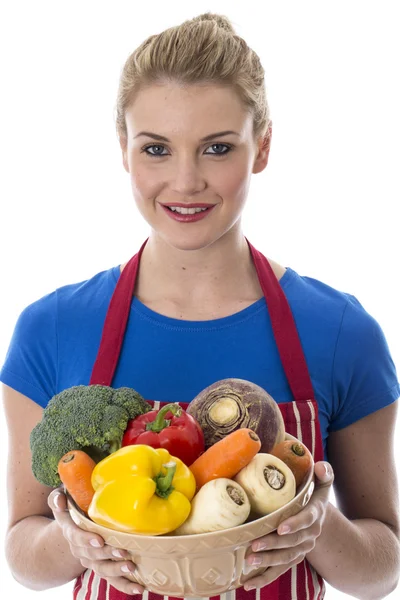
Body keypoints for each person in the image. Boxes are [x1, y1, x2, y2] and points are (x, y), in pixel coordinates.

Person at [1, 11, 399, 600]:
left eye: (217, 147)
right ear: (124, 150)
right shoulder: (53, 328)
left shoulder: (340, 330)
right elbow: (23, 556)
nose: (185, 182)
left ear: (262, 147)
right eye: (156, 149)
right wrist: (76, 543)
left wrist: (321, 528)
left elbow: (384, 567)